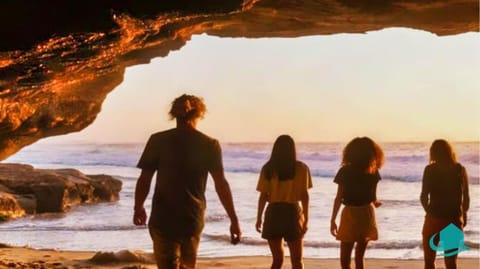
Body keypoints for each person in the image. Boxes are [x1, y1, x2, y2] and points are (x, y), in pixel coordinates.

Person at [133, 94, 241, 269]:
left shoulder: (158, 140)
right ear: (199, 114)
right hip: (192, 218)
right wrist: (233, 219)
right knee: (187, 266)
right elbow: (221, 184)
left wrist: (138, 207)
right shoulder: (209, 144)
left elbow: (145, 178)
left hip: (163, 217)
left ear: (174, 114)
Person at [255, 135, 312, 269]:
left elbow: (263, 196)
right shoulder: (301, 168)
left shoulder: (268, 168)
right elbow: (304, 195)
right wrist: (306, 218)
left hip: (273, 212)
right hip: (292, 213)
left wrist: (258, 218)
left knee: (277, 260)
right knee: (297, 260)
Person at [330, 137, 384, 269]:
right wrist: (376, 203)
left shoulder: (345, 171)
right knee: (359, 256)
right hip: (366, 213)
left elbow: (339, 197)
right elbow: (373, 197)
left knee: (345, 258)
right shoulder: (373, 171)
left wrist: (333, 219)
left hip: (350, 212)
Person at [420, 139, 470, 269]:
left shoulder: (430, 170)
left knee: (429, 261)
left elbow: (423, 196)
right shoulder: (459, 169)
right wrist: (463, 216)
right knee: (451, 262)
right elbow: (466, 199)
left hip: (434, 220)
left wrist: (429, 213)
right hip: (454, 220)